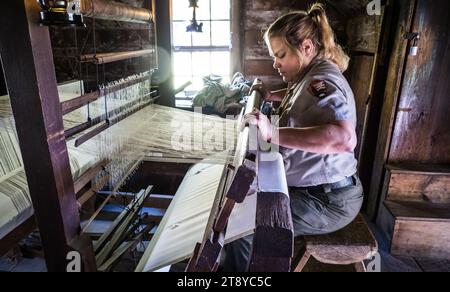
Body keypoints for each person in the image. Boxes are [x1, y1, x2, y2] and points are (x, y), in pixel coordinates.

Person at [223, 3, 364, 272]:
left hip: (329, 201)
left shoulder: (322, 79)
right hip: (315, 191)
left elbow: (344, 138)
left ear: (307, 47)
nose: (275, 63)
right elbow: (301, 102)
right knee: (238, 210)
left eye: (281, 55)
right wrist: (272, 95)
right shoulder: (307, 76)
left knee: (239, 227)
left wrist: (270, 132)